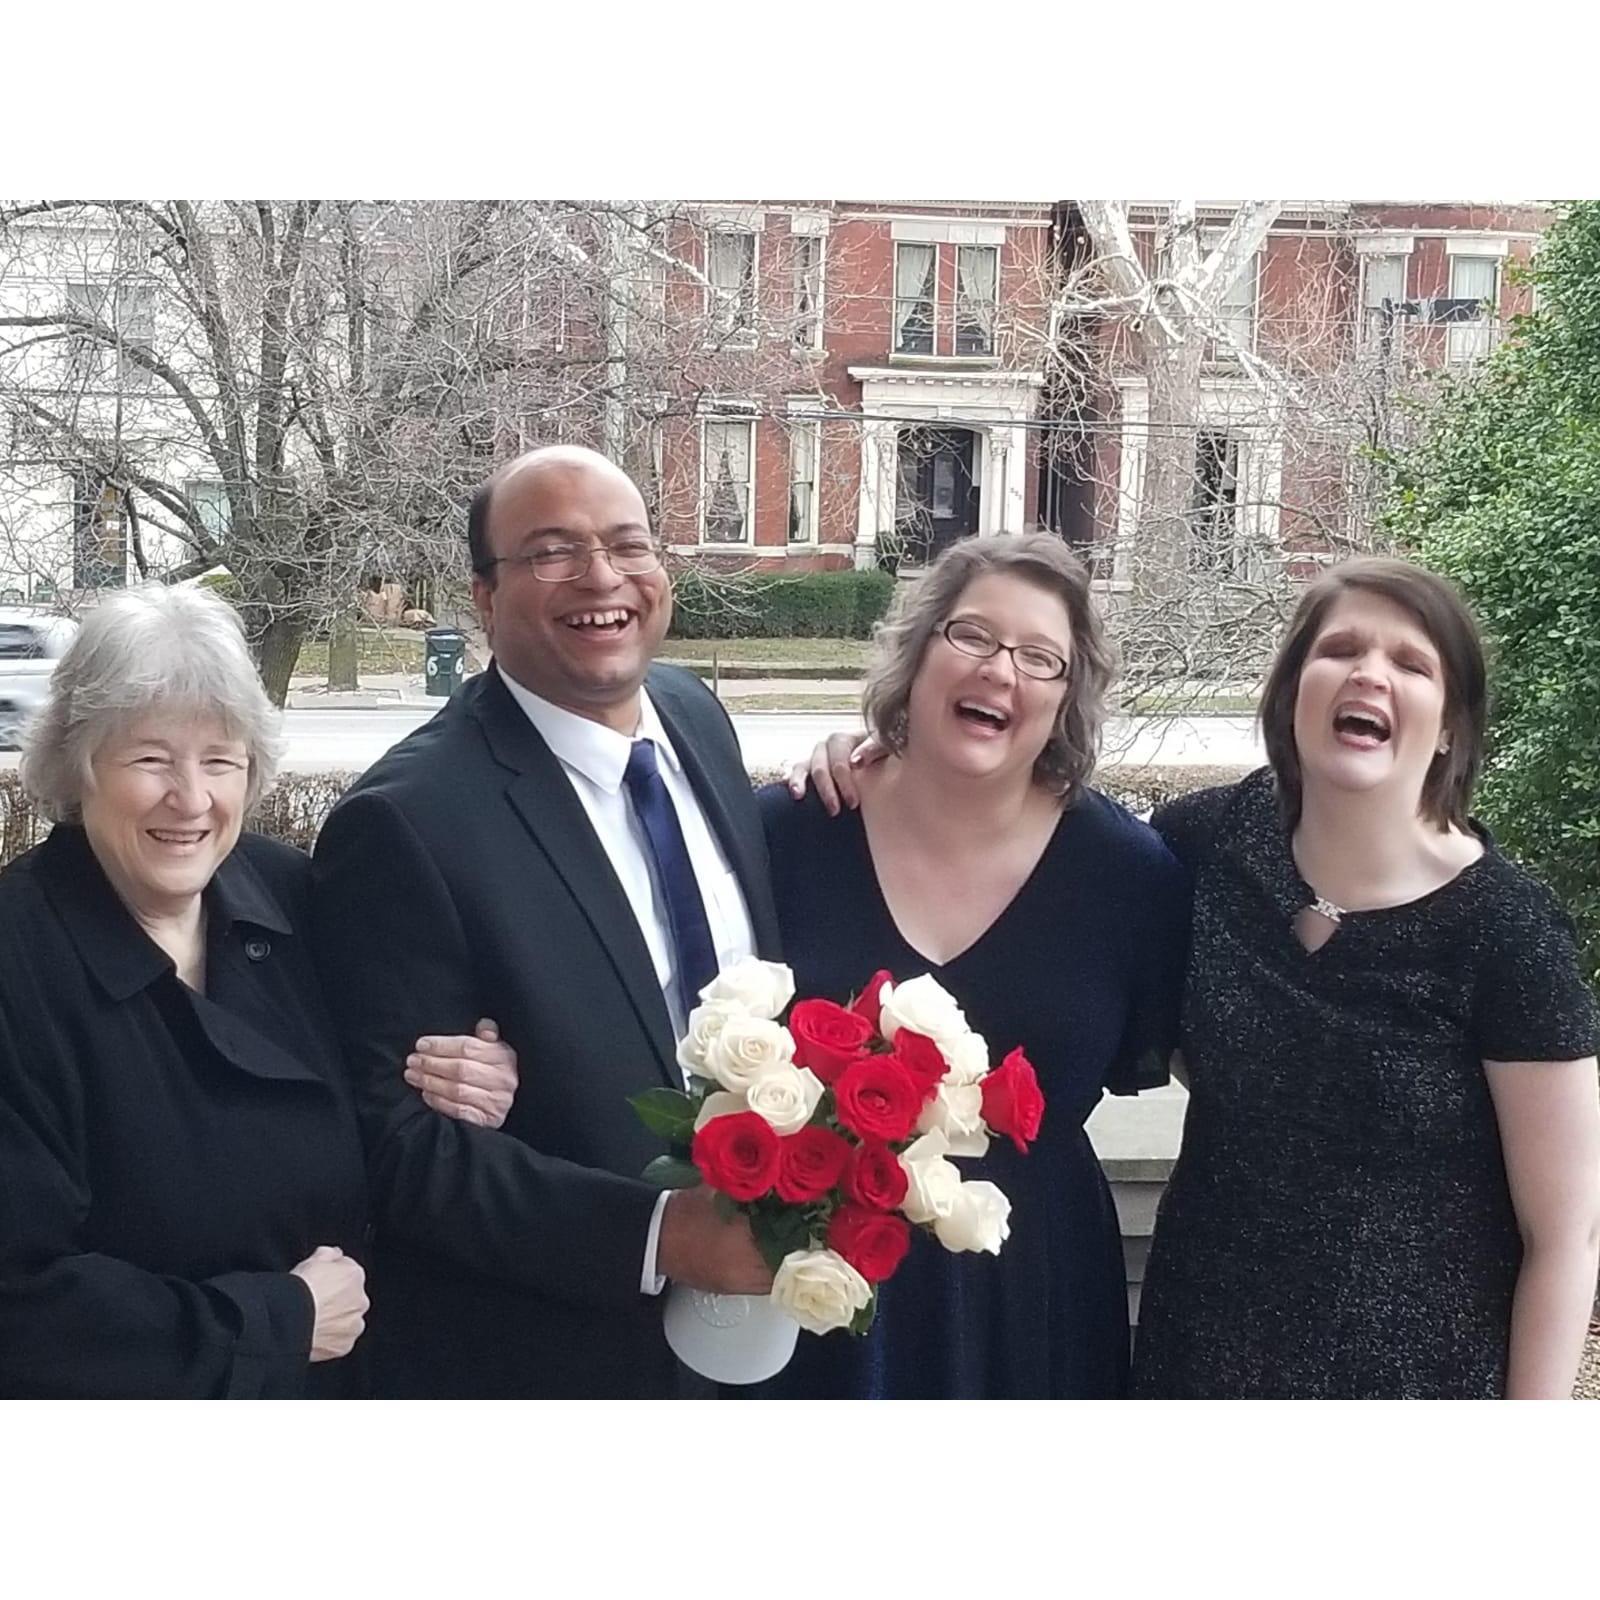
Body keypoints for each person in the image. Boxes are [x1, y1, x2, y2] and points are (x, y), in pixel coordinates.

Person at [309, 444, 783, 1399]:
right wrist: (660, 1237)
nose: (601, 577)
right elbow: (401, 1152)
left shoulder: (697, 717)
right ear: (484, 597)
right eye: (552, 552)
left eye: (627, 545)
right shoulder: (406, 821)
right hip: (551, 1355)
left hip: (762, 1332)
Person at [0, 586, 518, 1399]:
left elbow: (391, 1097)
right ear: (79, 763)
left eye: (220, 759)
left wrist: (464, 1078)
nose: (193, 798)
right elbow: (19, 1297)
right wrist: (276, 1321)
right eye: (150, 758)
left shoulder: (293, 896)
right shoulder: (18, 959)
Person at [1131, 557, 1600, 1399]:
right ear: (1293, 692)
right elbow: (1035, 844)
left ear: (1451, 725)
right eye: (1339, 649)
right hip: (1196, 1367)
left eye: (1411, 664)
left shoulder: (1507, 932)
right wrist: (881, 763)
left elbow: (1567, 1236)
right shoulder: (1203, 846)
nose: (1369, 674)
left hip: (1418, 1398)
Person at [761, 532, 1189, 1398]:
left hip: (1031, 1292)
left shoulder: (1130, 877)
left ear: (1068, 701)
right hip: (817, 1282)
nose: (1001, 670)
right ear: (917, 656)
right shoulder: (788, 833)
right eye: (973, 636)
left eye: (1041, 658)